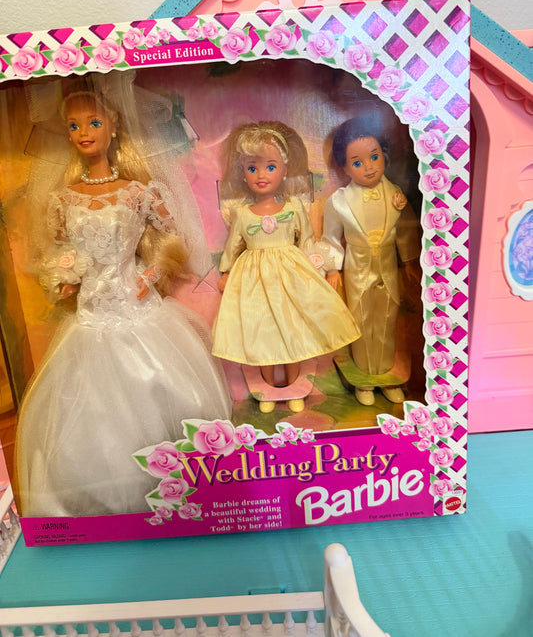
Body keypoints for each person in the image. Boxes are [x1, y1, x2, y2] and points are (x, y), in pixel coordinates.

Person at [15, 82, 232, 517]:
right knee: (88, 410)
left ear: (114, 127)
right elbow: (59, 251)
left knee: (162, 392)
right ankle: (100, 501)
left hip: (137, 306)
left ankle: (175, 490)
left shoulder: (137, 191)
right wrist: (64, 277)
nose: (84, 132)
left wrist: (150, 275)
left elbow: (173, 239)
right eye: (74, 125)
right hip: (90, 315)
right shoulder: (62, 199)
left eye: (94, 122)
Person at [212, 121, 360, 412]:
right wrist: (226, 271)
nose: (261, 175)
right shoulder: (242, 214)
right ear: (243, 172)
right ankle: (268, 390)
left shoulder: (293, 209)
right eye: (252, 168)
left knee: (293, 328)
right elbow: (233, 246)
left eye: (270, 167)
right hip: (254, 280)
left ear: (284, 169)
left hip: (290, 276)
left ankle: (294, 388)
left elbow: (308, 242)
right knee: (262, 329)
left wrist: (325, 268)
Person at [323, 118, 420, 406]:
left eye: (374, 157)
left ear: (384, 155)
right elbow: (331, 237)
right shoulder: (339, 201)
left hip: (388, 264)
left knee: (388, 315)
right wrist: (333, 267)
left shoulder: (395, 195)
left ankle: (385, 375)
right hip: (357, 265)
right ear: (344, 167)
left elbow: (405, 231)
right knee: (361, 317)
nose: (369, 167)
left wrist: (410, 262)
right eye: (357, 162)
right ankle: (365, 378)